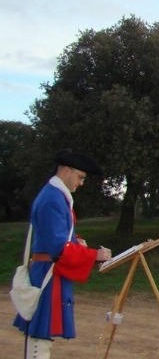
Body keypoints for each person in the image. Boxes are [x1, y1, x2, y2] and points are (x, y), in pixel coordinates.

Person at [13, 149, 112, 359]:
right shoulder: (53, 199)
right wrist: (95, 255)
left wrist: (76, 242)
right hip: (48, 273)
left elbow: (56, 237)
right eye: (80, 177)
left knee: (42, 336)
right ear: (67, 171)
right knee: (41, 337)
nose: (81, 183)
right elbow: (58, 248)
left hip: (49, 271)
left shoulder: (55, 195)